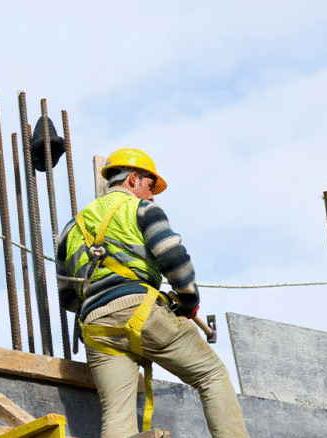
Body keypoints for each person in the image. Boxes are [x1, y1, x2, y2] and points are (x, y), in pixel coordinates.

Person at [55, 148, 249, 438]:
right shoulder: (142, 210)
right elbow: (174, 259)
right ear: (133, 179)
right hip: (140, 311)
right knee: (212, 375)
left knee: (117, 416)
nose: (153, 195)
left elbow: (68, 299)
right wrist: (188, 301)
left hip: (95, 327)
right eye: (149, 185)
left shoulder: (70, 229)